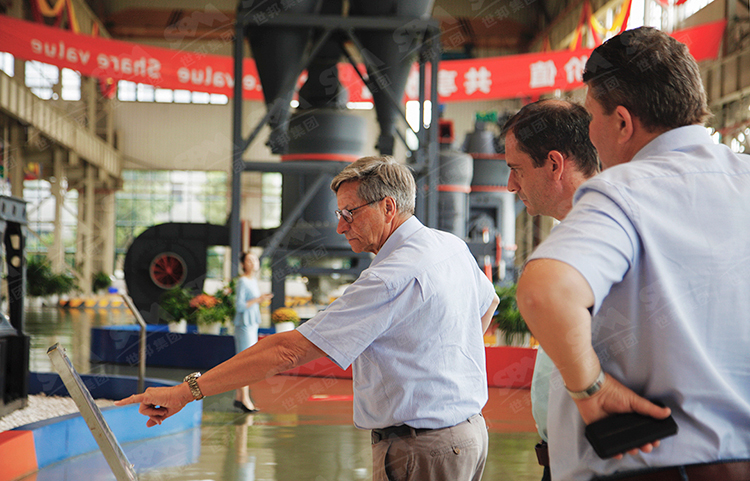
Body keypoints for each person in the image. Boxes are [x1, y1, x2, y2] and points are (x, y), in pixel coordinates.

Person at [117, 155, 500, 481]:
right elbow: (487, 306)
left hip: (424, 448)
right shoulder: (450, 246)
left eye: (350, 213)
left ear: (387, 207)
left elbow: (286, 351)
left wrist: (184, 392)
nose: (340, 226)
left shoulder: (390, 276)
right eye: (339, 213)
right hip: (468, 433)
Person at [516, 27, 750, 481]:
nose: (590, 133)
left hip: (647, 463)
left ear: (623, 122)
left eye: (591, 117)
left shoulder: (624, 191)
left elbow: (546, 292)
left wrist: (590, 389)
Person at [502, 98, 600, 481]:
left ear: (555, 164)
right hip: (565, 456)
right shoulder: (574, 235)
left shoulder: (603, 237)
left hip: (595, 458)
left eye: (517, 170)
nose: (510, 185)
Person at [232, 251, 272, 413]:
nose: (254, 262)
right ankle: (245, 399)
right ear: (243, 264)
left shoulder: (253, 280)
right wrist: (258, 299)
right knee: (245, 363)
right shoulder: (242, 281)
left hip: (252, 323)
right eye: (249, 260)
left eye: (255, 259)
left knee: (247, 362)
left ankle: (239, 397)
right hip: (244, 325)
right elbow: (239, 306)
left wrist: (259, 299)